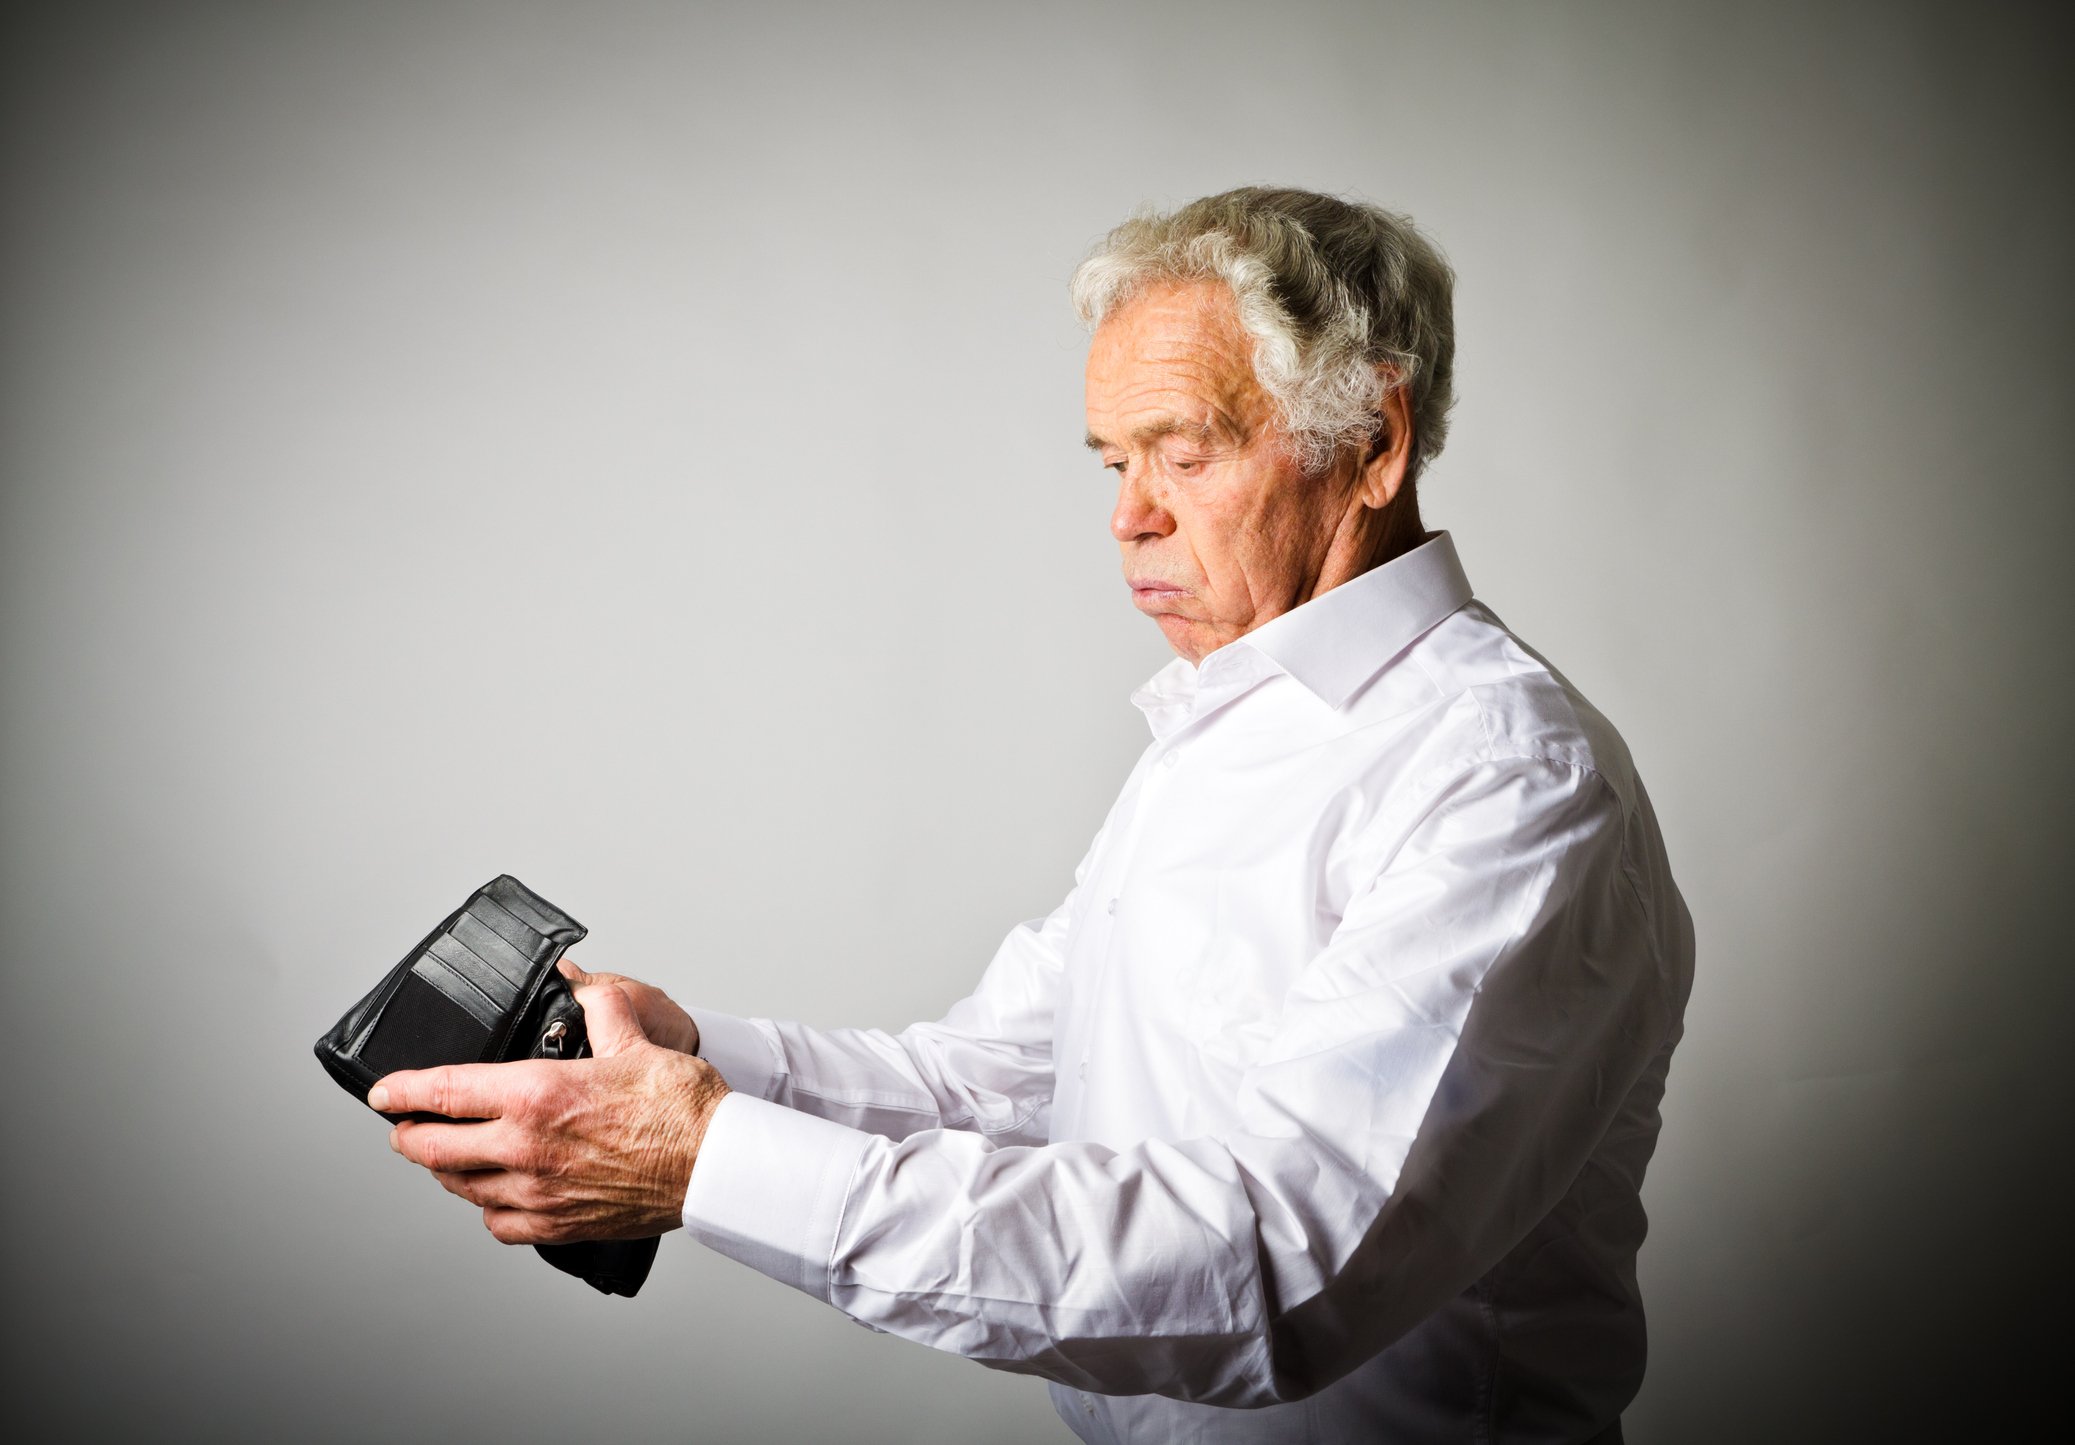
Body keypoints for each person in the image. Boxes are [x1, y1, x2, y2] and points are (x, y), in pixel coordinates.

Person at [374, 186, 1695, 1444]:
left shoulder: (1509, 780)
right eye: (1114, 461)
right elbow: (1006, 1077)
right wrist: (695, 1057)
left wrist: (705, 1157)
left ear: (1374, 443)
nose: (1128, 517)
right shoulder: (1219, 726)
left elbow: (1274, 1265)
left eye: (1185, 450)